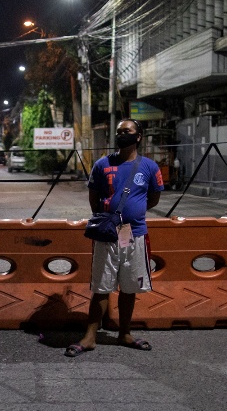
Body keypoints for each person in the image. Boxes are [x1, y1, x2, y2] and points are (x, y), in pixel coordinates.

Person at [65, 119, 164, 357]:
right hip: (107, 234)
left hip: (134, 234)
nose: (121, 135)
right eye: (119, 131)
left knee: (129, 287)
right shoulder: (102, 164)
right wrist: (106, 220)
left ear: (138, 136)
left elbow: (153, 198)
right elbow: (93, 196)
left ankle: (124, 333)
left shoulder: (150, 167)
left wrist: (134, 212)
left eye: (126, 131)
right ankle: (90, 337)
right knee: (101, 286)